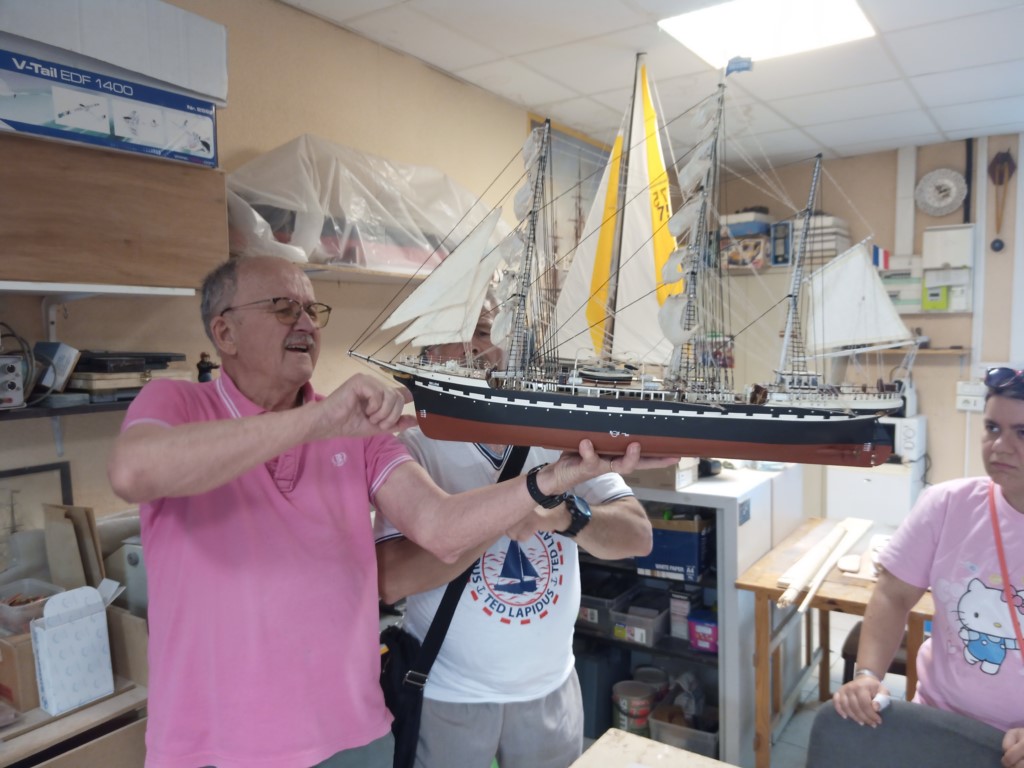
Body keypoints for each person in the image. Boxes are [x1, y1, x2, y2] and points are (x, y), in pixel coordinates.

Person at [107, 255, 672, 768]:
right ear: (224, 332)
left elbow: (440, 527)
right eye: (283, 307)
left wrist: (554, 482)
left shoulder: (364, 435)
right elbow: (134, 472)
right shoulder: (177, 403)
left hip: (352, 736)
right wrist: (320, 421)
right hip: (214, 743)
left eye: (312, 310)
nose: (305, 323)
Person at [374, 304, 654, 768]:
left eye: (484, 332)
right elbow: (391, 579)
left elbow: (637, 535)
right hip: (448, 694)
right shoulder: (413, 448)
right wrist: (509, 509)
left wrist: (562, 515)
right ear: (428, 352)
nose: (471, 348)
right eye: (454, 332)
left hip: (550, 688)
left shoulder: (560, 434)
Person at [832, 366, 1024, 768]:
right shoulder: (948, 505)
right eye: (992, 428)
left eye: (1022, 433)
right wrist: (868, 674)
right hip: (937, 724)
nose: (1000, 446)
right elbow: (892, 595)